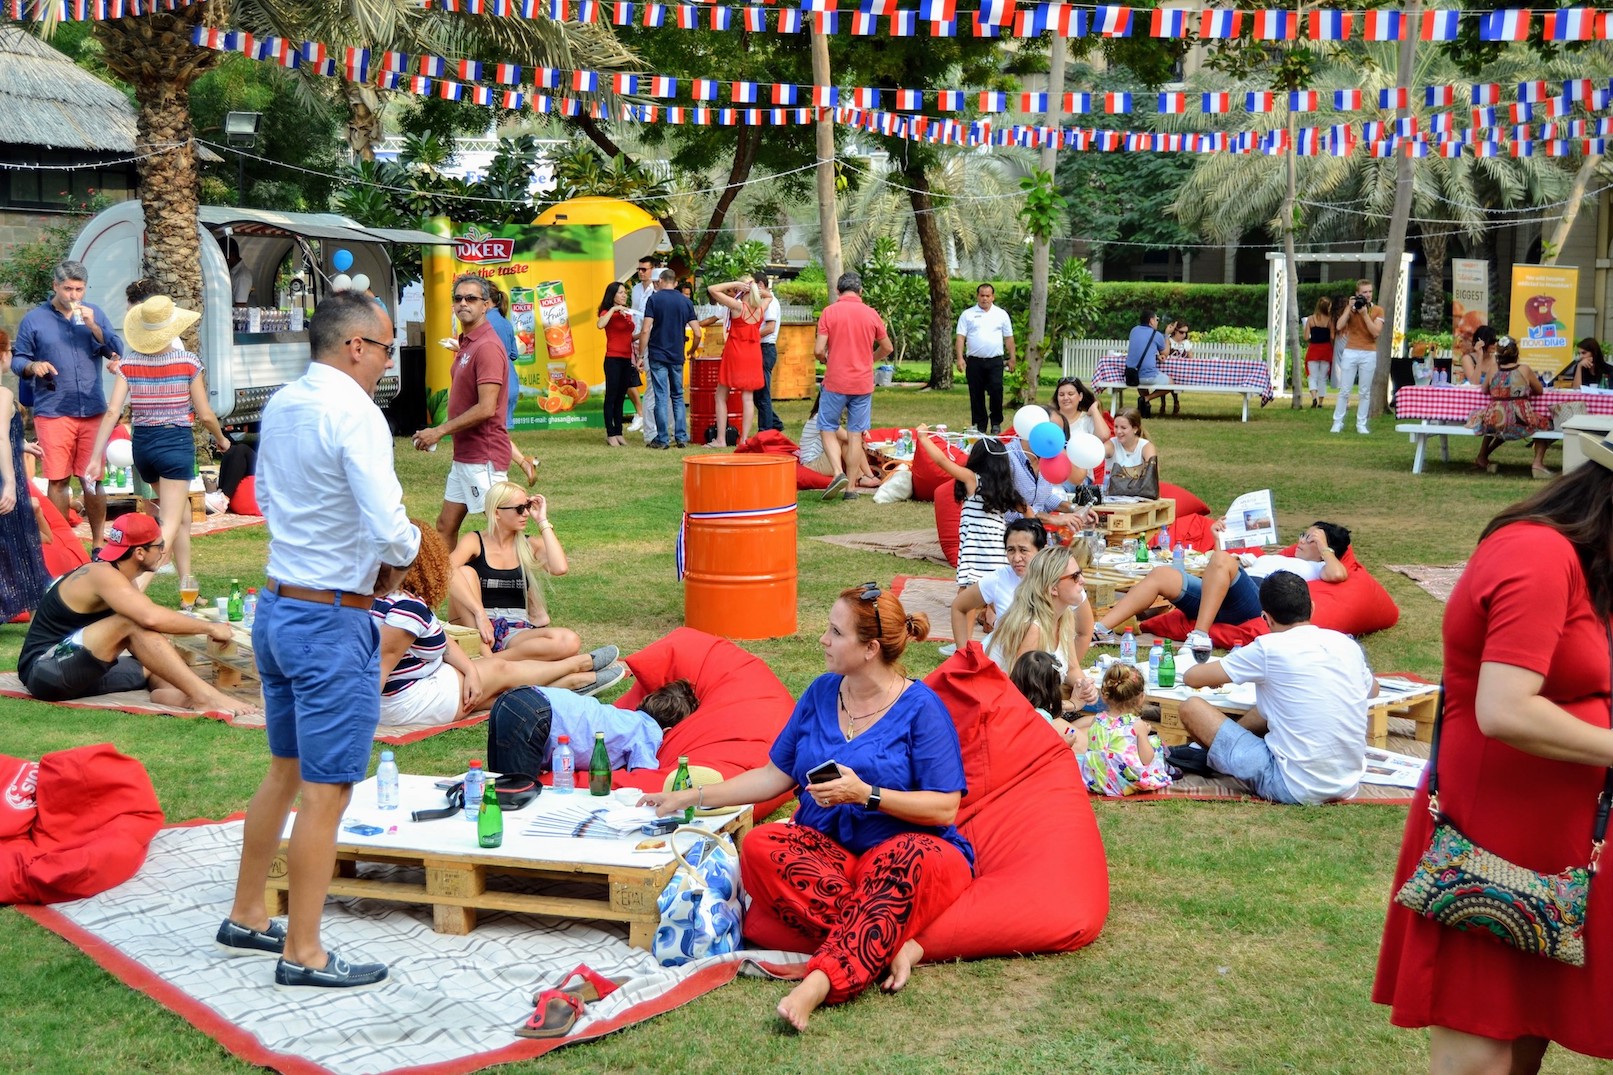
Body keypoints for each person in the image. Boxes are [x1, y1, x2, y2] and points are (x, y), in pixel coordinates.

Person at [1373, 443, 1613, 1070]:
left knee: (1525, 1031)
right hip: (1494, 831)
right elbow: (1504, 708)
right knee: (1481, 1046)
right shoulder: (1537, 554)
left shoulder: (1583, 563)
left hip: (1550, 833)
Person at [639, 584, 973, 1030]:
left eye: (835, 632)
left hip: (901, 849)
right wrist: (692, 797)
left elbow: (945, 808)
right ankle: (893, 943)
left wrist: (867, 794)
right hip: (828, 852)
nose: (823, 640)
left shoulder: (921, 708)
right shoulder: (820, 694)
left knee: (909, 860)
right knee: (760, 844)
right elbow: (775, 775)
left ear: (870, 648)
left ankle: (819, 982)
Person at [217, 290, 421, 992]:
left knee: (284, 768)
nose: (392, 358)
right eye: (388, 345)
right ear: (355, 346)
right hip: (331, 617)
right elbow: (390, 525)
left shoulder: (282, 403)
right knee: (326, 790)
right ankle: (303, 949)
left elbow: (267, 497)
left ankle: (248, 911)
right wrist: (413, 545)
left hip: (278, 604)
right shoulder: (355, 413)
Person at [375, 523, 620, 727]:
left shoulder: (389, 598)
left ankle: (565, 687)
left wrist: (471, 670)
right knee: (502, 670)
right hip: (407, 699)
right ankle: (577, 667)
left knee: (492, 691)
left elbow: (444, 642)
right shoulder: (407, 609)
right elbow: (378, 671)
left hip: (418, 686)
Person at [16, 512, 245, 713]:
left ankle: (178, 696)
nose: (164, 551)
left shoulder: (119, 576)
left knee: (157, 659)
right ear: (139, 553)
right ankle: (207, 697)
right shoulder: (102, 575)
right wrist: (210, 627)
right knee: (131, 622)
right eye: (160, 546)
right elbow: (150, 617)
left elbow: (151, 632)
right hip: (44, 670)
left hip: (72, 664)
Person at [1178, 571, 1376, 804]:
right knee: (1266, 706)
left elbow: (1193, 678)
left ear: (1266, 618)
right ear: (1311, 608)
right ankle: (1224, 747)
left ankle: (1215, 752)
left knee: (1192, 708)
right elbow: (1373, 689)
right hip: (1348, 783)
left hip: (1290, 785)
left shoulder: (1269, 648)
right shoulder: (1345, 643)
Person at [82, 297, 230, 582]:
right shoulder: (188, 362)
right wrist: (221, 440)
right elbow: (207, 415)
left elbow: (113, 411)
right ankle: (131, 592)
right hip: (175, 442)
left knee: (182, 512)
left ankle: (188, 587)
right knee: (169, 525)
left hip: (144, 446)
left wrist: (94, 458)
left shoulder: (130, 363)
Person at [1093, 521, 1352, 655]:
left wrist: (1325, 548)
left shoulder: (1318, 567)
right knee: (1163, 574)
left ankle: (1199, 635)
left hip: (1256, 599)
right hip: (1225, 593)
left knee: (1222, 560)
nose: (1302, 540)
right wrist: (1218, 540)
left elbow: (1338, 573)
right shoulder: (1275, 558)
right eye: (1304, 535)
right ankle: (1100, 630)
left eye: (1310, 538)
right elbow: (1220, 568)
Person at [10, 259, 123, 555]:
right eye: (68, 288)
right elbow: (17, 359)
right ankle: (64, 544)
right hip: (54, 409)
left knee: (92, 479)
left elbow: (115, 348)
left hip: (92, 409)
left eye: (79, 289)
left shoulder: (93, 313)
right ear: (55, 286)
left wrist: (94, 326)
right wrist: (34, 365)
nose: (74, 295)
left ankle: (99, 543)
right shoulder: (34, 319)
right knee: (58, 479)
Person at [448, 481, 604, 673]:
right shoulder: (475, 541)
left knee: (569, 640)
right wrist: (480, 613)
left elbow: (559, 568)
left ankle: (489, 662)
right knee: (464, 572)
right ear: (497, 512)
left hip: (515, 628)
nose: (526, 513)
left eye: (528, 507)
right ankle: (494, 659)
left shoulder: (529, 544)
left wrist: (543, 521)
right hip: (476, 623)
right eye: (520, 508)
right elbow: (446, 571)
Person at [413, 274, 511, 550]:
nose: (463, 303)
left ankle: (524, 589)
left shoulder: (488, 346)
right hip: (465, 455)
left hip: (484, 457)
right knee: (445, 526)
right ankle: (446, 588)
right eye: (458, 298)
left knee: (503, 530)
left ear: (486, 305)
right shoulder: (467, 342)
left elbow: (486, 408)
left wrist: (439, 431)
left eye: (471, 298)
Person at [488, 678, 697, 778]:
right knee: (518, 794)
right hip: (537, 714)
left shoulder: (622, 717)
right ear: (668, 730)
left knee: (498, 786)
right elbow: (643, 779)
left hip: (514, 698)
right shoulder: (649, 732)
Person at [986, 544, 1098, 704]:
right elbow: (1021, 694)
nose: (1083, 580)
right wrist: (1070, 705)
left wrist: (1085, 685)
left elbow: (1072, 669)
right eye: (1075, 576)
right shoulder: (1033, 628)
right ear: (1053, 588)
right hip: (1010, 712)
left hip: (1037, 710)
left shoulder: (1063, 616)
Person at [815, 271, 893, 499]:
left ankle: (839, 473)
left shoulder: (829, 312)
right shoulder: (871, 314)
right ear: (861, 291)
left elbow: (818, 350)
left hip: (836, 381)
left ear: (838, 291)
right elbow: (887, 347)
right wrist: (871, 359)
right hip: (862, 383)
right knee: (855, 434)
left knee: (827, 426)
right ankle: (851, 490)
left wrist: (826, 360)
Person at [914, 425, 1020, 587]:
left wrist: (923, 438)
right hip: (998, 552)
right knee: (992, 597)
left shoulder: (972, 479)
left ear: (977, 458)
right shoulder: (1005, 488)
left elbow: (942, 461)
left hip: (976, 550)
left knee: (965, 599)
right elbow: (1028, 510)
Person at [1070, 662, 1173, 797]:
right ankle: (1166, 769)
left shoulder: (1097, 720)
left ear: (1104, 695)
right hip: (1123, 783)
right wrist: (1144, 734)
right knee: (1155, 743)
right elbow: (1147, 759)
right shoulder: (1137, 725)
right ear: (1141, 697)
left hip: (1097, 781)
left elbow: (1082, 733)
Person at [949, 518, 1048, 647]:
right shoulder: (998, 579)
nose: (1016, 558)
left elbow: (1083, 632)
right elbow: (958, 606)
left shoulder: (1058, 579)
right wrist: (962, 653)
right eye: (1011, 550)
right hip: (1003, 661)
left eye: (1023, 550)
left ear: (1042, 550)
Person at [0, 376, 49, 622]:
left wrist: (21, 444)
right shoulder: (3, 394)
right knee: (20, 542)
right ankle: (37, 615)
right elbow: (0, 437)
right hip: (6, 479)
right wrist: (9, 483)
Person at [1467, 335, 1551, 478]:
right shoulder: (1524, 369)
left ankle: (1482, 456)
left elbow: (1484, 390)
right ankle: (1537, 463)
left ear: (1498, 355)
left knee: (1497, 419)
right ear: (1516, 353)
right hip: (1521, 420)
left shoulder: (1493, 369)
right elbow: (1539, 390)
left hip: (1496, 420)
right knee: (1546, 422)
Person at [640, 269, 701, 450]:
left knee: (661, 396)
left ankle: (663, 439)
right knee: (678, 396)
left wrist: (639, 355)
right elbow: (697, 332)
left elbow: (645, 330)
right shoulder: (685, 301)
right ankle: (681, 437)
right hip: (677, 355)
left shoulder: (654, 299)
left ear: (660, 281)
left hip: (657, 353)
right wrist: (692, 349)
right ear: (674, 282)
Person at [486, 284, 539, 485]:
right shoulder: (505, 322)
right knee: (497, 430)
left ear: (485, 300)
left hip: (494, 381)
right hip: (510, 380)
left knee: (492, 430)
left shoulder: (483, 322)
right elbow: (514, 354)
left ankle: (509, 469)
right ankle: (523, 462)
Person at [707, 278, 767, 446]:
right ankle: (745, 439)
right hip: (753, 353)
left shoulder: (738, 306)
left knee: (720, 395)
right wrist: (758, 291)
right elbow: (770, 297)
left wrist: (732, 283)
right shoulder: (761, 309)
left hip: (735, 352)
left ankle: (720, 439)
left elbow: (712, 289)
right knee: (747, 397)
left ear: (744, 290)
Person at [954, 283, 1017, 435]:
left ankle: (996, 422)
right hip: (974, 361)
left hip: (995, 361)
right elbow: (960, 337)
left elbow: (1008, 337)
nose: (984, 298)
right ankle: (979, 425)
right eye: (982, 295)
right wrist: (960, 358)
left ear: (993, 297)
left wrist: (1012, 358)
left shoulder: (1001, 314)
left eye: (988, 296)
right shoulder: (967, 315)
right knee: (976, 394)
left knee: (996, 390)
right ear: (977, 296)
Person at [1332, 278, 1384, 435]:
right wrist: (1349, 308)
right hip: (1351, 350)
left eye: (1370, 292)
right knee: (1345, 390)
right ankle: (1337, 422)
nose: (1367, 295)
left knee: (1364, 391)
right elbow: (1339, 326)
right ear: (1357, 294)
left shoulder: (1378, 310)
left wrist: (1364, 314)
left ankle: (1361, 423)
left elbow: (1375, 332)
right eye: (1364, 292)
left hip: (1369, 352)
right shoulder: (1352, 308)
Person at [596, 282, 641, 448]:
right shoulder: (607, 312)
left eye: (625, 292)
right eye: (621, 293)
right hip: (613, 359)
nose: (624, 295)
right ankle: (610, 433)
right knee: (611, 397)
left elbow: (627, 337)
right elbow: (600, 325)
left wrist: (644, 334)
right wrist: (614, 310)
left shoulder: (627, 313)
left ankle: (618, 431)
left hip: (625, 359)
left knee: (621, 397)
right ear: (613, 295)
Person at [629, 257, 658, 444]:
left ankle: (652, 425)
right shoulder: (636, 289)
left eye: (644, 269)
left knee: (655, 387)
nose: (641, 272)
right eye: (639, 269)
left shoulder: (657, 289)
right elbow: (636, 316)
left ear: (653, 270)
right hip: (639, 337)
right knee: (645, 383)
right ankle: (645, 419)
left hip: (653, 338)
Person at [753, 269, 785, 433]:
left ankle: (765, 429)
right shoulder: (763, 301)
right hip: (761, 348)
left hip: (766, 348)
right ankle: (775, 423)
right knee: (757, 394)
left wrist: (751, 336)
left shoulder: (770, 302)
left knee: (762, 393)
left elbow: (770, 327)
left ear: (760, 285)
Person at [1125, 310, 1168, 418]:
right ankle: (1146, 399)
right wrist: (1167, 335)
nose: (1157, 322)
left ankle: (1145, 405)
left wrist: (1155, 355)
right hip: (1147, 376)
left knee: (1142, 383)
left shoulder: (1133, 331)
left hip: (1132, 375)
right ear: (1151, 321)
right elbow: (1165, 353)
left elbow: (1141, 348)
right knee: (1171, 384)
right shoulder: (1157, 335)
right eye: (1156, 319)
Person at [1103, 409, 1156, 492]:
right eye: (1116, 427)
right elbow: (1098, 452)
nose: (1118, 431)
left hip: (1140, 494)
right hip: (1114, 495)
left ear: (1135, 429)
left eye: (1123, 428)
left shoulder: (1146, 447)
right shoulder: (1111, 444)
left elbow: (1151, 474)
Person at [1051, 376, 1111, 443]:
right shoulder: (1050, 418)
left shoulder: (1087, 419)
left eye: (1070, 394)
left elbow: (1104, 437)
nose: (1065, 398)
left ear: (1080, 396)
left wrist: (1094, 409)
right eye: (1061, 395)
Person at [1303, 298, 1334, 408]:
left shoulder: (1311, 319)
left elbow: (1306, 337)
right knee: (1322, 378)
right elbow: (1332, 336)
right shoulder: (1330, 320)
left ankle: (1314, 397)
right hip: (1326, 350)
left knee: (1312, 376)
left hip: (1313, 350)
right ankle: (1321, 402)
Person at [1159, 320, 1189, 416]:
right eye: (1181, 332)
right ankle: (1164, 402)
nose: (1183, 335)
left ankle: (1175, 401)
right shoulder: (1169, 341)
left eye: (1185, 332)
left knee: (1173, 379)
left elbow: (1191, 357)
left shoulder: (1186, 343)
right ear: (1175, 331)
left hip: (1180, 371)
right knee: (1164, 379)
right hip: (1167, 368)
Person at [224, 238, 253, 306]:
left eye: (224, 257)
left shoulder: (242, 277)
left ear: (232, 255)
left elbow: (240, 306)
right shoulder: (232, 272)